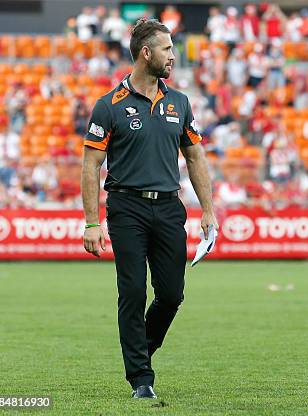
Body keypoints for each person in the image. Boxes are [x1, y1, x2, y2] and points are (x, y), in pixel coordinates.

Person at [81, 18, 218, 400]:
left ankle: (141, 349)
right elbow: (91, 165)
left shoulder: (180, 103)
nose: (173, 56)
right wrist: (92, 222)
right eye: (167, 49)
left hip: (170, 208)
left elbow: (195, 157)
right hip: (126, 208)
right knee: (132, 292)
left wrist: (208, 211)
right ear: (146, 53)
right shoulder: (109, 106)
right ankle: (141, 377)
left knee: (172, 295)